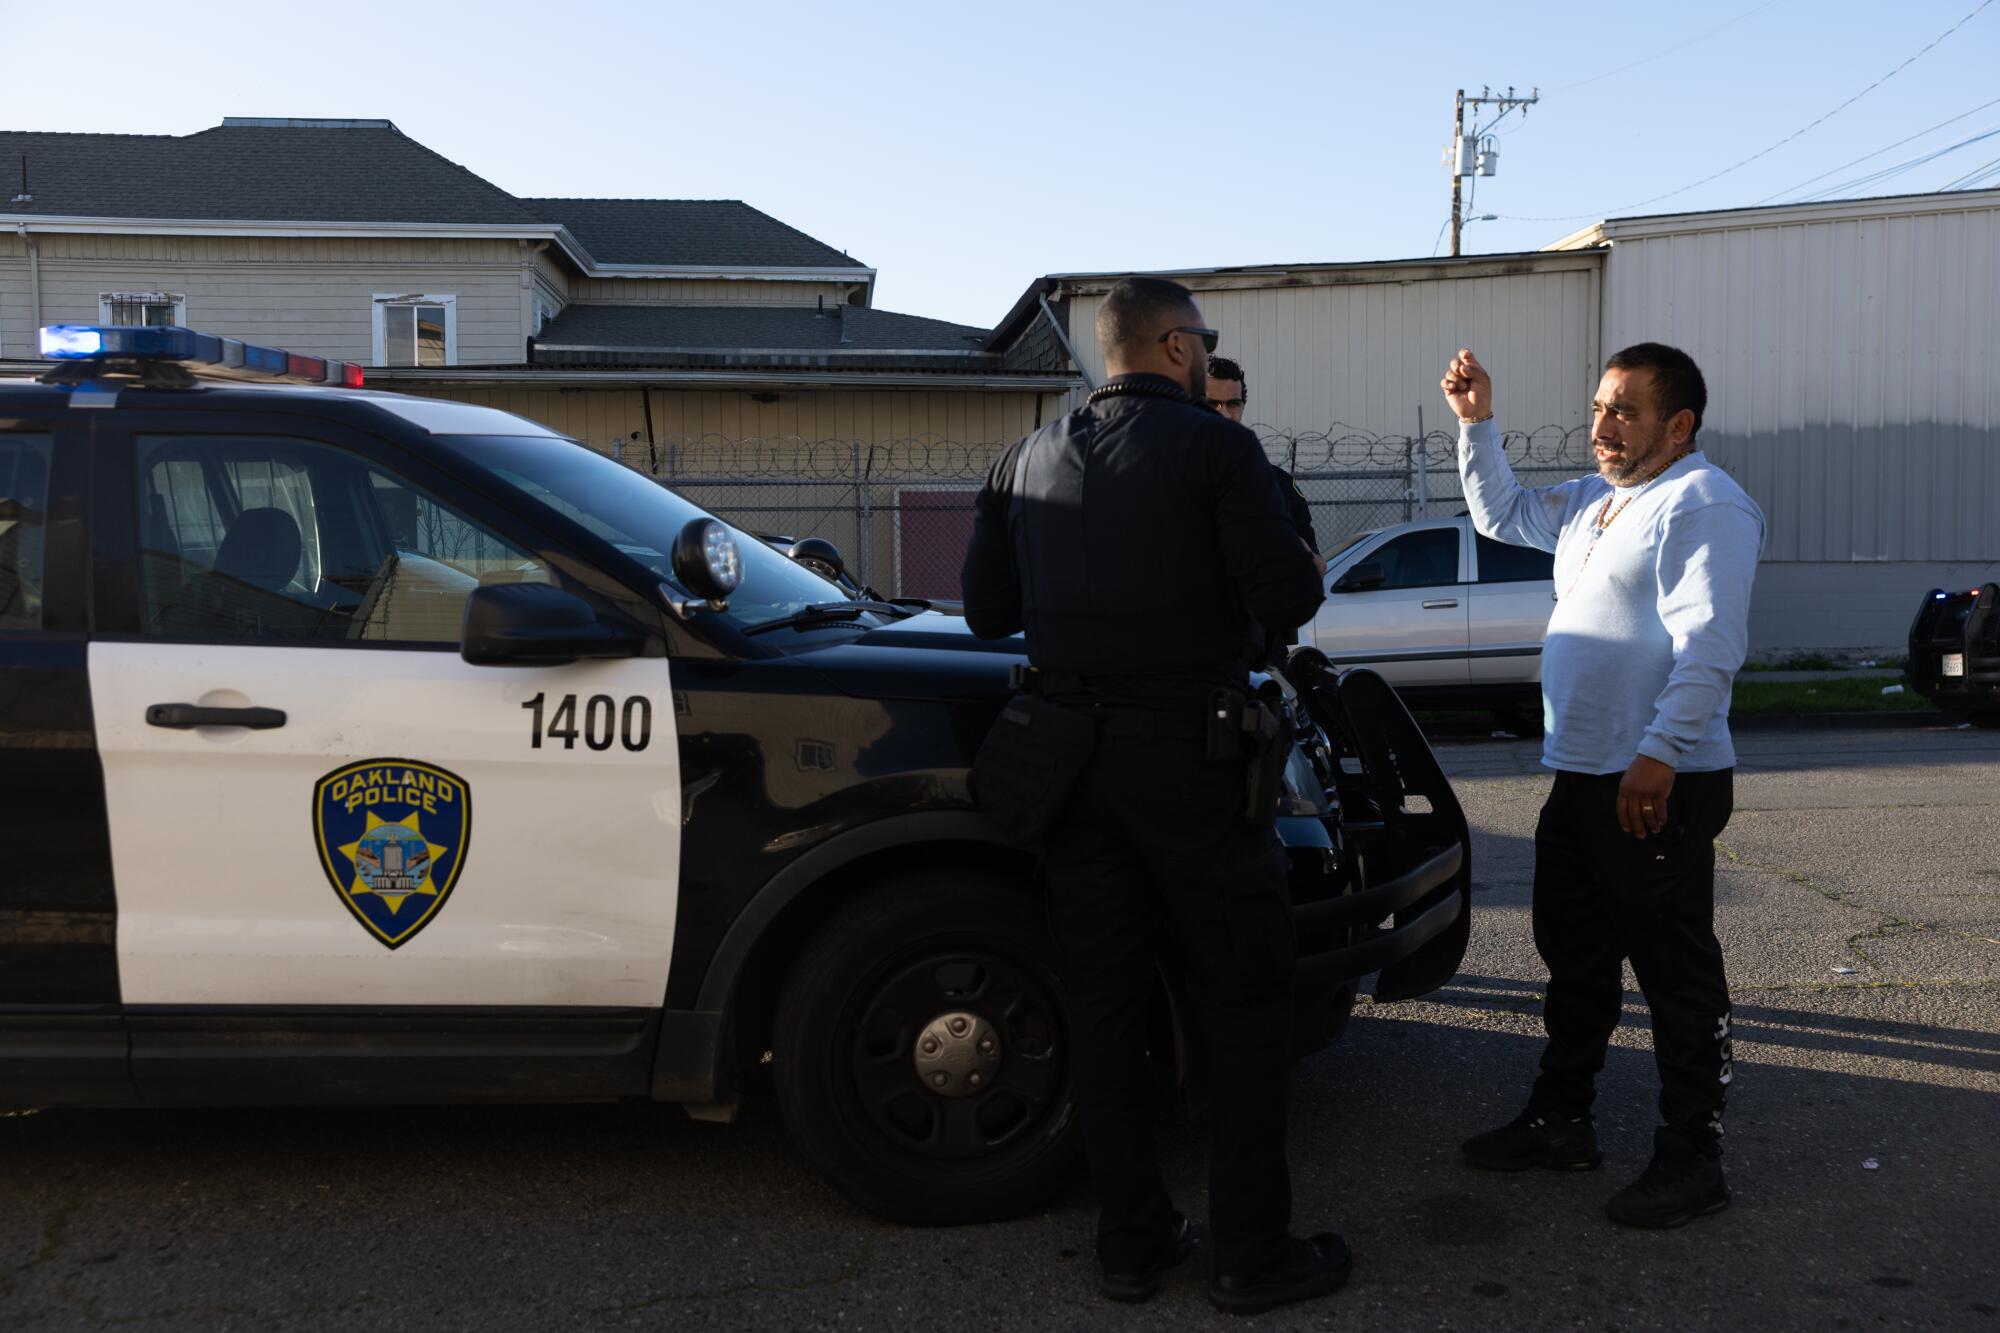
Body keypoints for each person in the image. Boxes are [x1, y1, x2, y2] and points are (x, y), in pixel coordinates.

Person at [961, 277, 1343, 1314]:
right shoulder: (1221, 452)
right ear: (1175, 345)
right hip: (1193, 768)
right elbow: (1289, 595)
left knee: (1106, 1005)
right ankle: (1249, 1252)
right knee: (1244, 1002)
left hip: (1070, 768)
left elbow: (986, 612)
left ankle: (1130, 1241)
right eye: (1202, 340)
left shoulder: (1022, 455)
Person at [1440, 343, 1765, 1228]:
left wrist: (1659, 752)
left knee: (1675, 973)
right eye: (1598, 408)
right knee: (1575, 957)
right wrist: (1476, 423)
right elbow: (1503, 515)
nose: (1602, 427)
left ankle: (1693, 1157)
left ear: (1679, 424)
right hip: (1581, 775)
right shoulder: (1596, 501)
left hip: (1656, 779)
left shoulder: (1705, 504)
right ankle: (1562, 1121)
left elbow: (1709, 644)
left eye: (1624, 410)